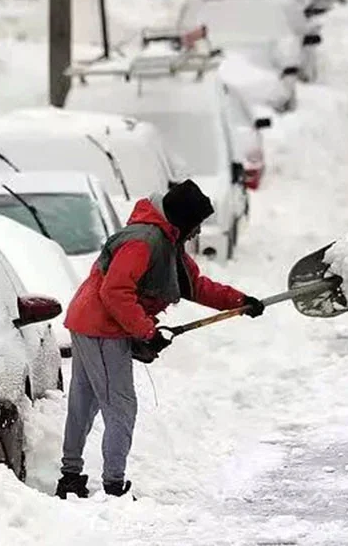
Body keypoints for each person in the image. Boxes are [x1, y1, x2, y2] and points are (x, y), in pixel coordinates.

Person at [55, 180, 265, 499]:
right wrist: (147, 332)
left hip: (89, 321)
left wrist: (241, 301)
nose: (197, 233)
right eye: (196, 225)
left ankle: (70, 476)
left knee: (86, 401)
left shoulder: (166, 242)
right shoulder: (144, 242)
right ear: (182, 220)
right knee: (120, 406)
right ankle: (113, 486)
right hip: (101, 327)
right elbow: (115, 291)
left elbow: (194, 285)